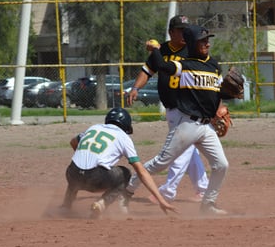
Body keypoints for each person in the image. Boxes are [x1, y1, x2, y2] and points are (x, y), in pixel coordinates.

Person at [127, 25, 232, 215]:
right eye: (202, 41)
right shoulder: (185, 65)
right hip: (187, 124)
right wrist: (157, 50)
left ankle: (208, 204)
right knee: (161, 162)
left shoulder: (215, 66)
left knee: (222, 165)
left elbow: (217, 93)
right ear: (192, 43)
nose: (207, 43)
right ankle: (127, 188)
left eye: (208, 40)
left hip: (206, 126)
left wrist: (220, 108)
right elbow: (161, 66)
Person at [127, 15, 209, 203]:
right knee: (188, 149)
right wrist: (135, 88)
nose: (184, 33)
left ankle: (168, 190)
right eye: (180, 29)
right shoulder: (162, 50)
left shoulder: (192, 49)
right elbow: (147, 71)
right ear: (171, 32)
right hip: (172, 108)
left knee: (179, 149)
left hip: (188, 106)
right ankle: (203, 189)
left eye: (186, 29)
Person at [61, 107, 177, 218]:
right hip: (95, 178)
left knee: (77, 172)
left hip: (72, 173)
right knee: (125, 173)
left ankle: (66, 206)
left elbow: (73, 142)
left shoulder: (93, 128)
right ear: (126, 125)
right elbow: (141, 172)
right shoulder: (123, 137)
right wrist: (161, 200)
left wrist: (84, 156)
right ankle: (102, 204)